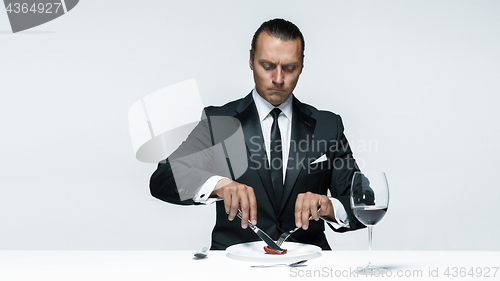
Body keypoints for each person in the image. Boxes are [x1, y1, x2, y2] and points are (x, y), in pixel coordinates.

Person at [150, 18, 365, 250]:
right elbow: (163, 178)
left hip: (306, 267)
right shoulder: (219, 122)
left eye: (289, 68)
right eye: (268, 66)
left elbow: (364, 201)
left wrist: (329, 206)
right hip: (233, 267)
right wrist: (218, 186)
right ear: (251, 61)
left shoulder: (328, 125)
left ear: (302, 65)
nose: (278, 79)